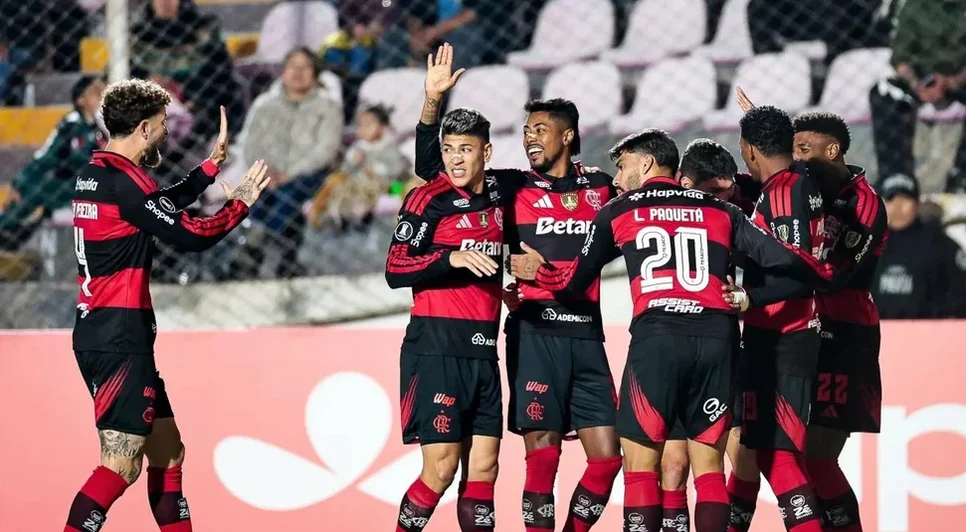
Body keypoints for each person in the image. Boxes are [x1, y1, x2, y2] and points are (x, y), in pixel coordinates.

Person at [509, 128, 833, 532]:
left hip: (657, 338)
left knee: (642, 467)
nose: (617, 177)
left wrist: (537, 270)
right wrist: (820, 269)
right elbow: (785, 258)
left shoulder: (620, 209)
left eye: (623, 165)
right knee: (709, 467)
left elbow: (575, 282)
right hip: (718, 338)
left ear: (645, 163)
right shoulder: (722, 211)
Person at [413, 43, 622, 532]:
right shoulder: (510, 186)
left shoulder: (601, 187)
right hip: (534, 334)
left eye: (540, 131)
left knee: (608, 460)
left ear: (568, 136)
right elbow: (435, 173)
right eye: (526, 131)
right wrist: (431, 104)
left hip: (588, 336)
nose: (530, 139)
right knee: (542, 459)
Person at [64, 79, 271, 532]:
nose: (166, 134)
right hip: (120, 337)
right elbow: (193, 236)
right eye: (161, 126)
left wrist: (206, 173)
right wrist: (239, 205)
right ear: (142, 128)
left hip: (100, 330)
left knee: (168, 451)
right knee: (120, 464)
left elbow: (148, 208)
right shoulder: (128, 183)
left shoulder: (95, 174)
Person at [385, 106, 503, 532]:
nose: (455, 158)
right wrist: (450, 257)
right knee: (441, 468)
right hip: (436, 347)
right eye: (448, 149)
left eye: (465, 149)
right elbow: (395, 268)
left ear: (486, 152)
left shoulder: (498, 193)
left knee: (485, 468)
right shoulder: (426, 198)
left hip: (485, 350)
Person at [722, 105, 827, 532]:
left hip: (786, 337)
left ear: (748, 150)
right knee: (753, 450)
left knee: (778, 456)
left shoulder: (784, 193)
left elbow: (803, 276)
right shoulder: (800, 180)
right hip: (781, 336)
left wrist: (750, 297)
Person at [789, 111, 888, 532]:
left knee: (818, 456)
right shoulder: (803, 192)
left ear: (834, 150)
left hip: (846, 333)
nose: (798, 159)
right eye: (793, 150)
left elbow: (839, 273)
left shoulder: (865, 203)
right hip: (804, 330)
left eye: (805, 149)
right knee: (798, 457)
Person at [660, 138, 759, 532]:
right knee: (672, 465)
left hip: (719, 346)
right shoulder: (653, 212)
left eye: (729, 191)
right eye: (715, 193)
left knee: (735, 457)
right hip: (667, 345)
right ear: (685, 184)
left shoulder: (738, 211)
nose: (725, 200)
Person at [238, 46, 344, 277]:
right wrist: (267, 172)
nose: (298, 72)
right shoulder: (264, 105)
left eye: (305, 67)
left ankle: (260, 246)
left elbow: (326, 150)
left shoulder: (328, 107)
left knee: (288, 194)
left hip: (308, 174)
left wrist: (290, 173)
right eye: (292, 66)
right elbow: (250, 144)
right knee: (256, 195)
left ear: (315, 73)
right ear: (283, 72)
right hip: (267, 174)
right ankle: (275, 256)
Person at [868, 0, 966, 193]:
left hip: (960, 78)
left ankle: (961, 178)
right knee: (883, 91)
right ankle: (897, 178)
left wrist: (951, 82)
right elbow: (900, 57)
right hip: (920, 79)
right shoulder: (914, 5)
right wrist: (917, 85)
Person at [0, 75, 106, 250]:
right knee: (34, 189)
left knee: (42, 192)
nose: (103, 96)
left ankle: (13, 234)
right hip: (72, 184)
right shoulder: (71, 125)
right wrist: (19, 184)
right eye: (96, 92)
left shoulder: (109, 125)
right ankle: (9, 235)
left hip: (98, 185)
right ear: (81, 100)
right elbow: (46, 157)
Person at [871, 173, 966, 318]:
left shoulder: (941, 246)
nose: (898, 207)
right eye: (891, 199)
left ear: (917, 205)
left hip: (929, 334)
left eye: (904, 199)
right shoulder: (866, 245)